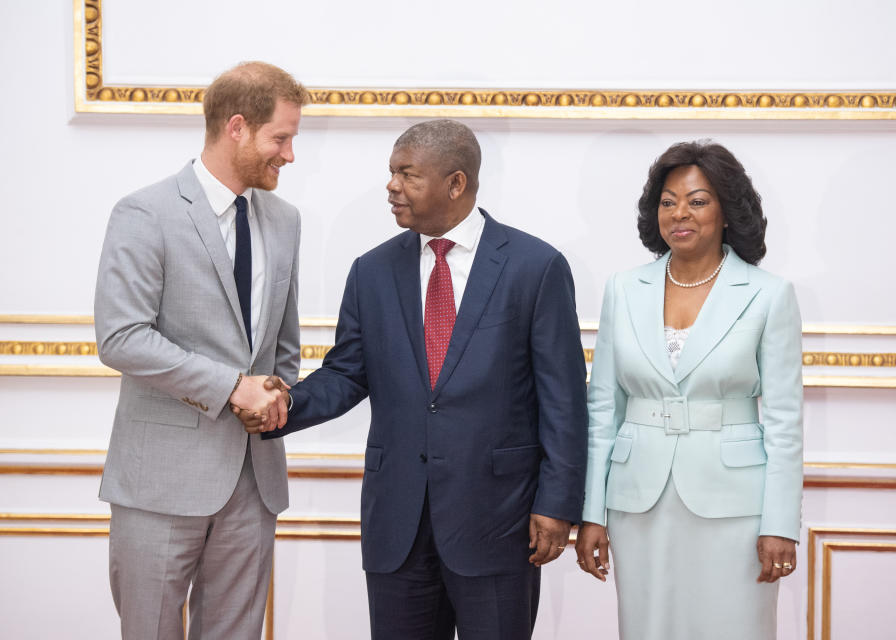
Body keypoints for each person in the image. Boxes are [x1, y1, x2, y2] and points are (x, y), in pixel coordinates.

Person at [243, 119, 588, 639]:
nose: (391, 186)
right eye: (391, 173)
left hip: (498, 521)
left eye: (407, 174)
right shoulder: (371, 270)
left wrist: (558, 504)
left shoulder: (535, 267)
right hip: (397, 525)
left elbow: (563, 400)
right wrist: (283, 404)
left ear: (456, 183)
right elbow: (345, 372)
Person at [94, 61, 308, 639]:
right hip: (159, 482)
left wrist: (275, 390)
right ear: (237, 127)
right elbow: (120, 336)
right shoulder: (144, 213)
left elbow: (280, 349)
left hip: (254, 480)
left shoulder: (285, 221)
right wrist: (230, 386)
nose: (289, 154)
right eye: (281, 138)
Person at [575, 141, 803, 639]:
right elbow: (602, 410)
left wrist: (781, 522)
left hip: (737, 508)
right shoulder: (622, 289)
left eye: (697, 201)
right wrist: (591, 511)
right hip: (638, 502)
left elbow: (785, 423)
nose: (680, 213)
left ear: (726, 211)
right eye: (668, 201)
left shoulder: (768, 294)